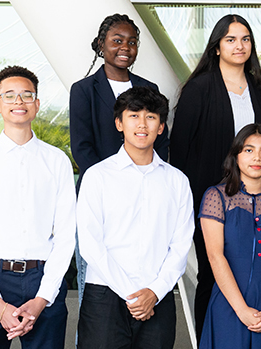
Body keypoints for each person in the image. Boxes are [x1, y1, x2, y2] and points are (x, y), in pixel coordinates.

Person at [170, 14, 261, 338]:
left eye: (245, 39)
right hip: (210, 201)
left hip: (255, 199)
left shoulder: (258, 88)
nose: (239, 45)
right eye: (230, 39)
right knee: (213, 275)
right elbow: (180, 150)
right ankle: (209, 340)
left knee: (250, 274)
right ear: (216, 46)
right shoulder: (198, 88)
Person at [0, 65, 75, 349]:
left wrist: (41, 299)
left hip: (43, 279)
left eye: (26, 95)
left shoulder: (57, 160)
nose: (18, 102)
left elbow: (66, 234)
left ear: (36, 104)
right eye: (9, 96)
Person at [76, 87, 193, 348]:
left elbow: (181, 245)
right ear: (119, 123)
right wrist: (133, 296)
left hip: (157, 296)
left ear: (161, 127)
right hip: (105, 296)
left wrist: (154, 292)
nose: (142, 124)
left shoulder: (177, 181)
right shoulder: (97, 176)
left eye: (151, 117)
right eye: (133, 116)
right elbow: (90, 244)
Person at [69, 13, 165, 312]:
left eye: (132, 42)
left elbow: (160, 142)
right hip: (101, 198)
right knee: (96, 286)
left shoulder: (150, 89)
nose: (125, 47)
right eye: (117, 40)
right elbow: (82, 148)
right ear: (101, 45)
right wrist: (116, 183)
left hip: (147, 193)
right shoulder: (83, 90)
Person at [198, 123, 261, 348]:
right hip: (229, 304)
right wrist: (242, 310)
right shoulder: (216, 197)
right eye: (248, 150)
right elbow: (215, 256)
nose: (257, 157)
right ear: (236, 155)